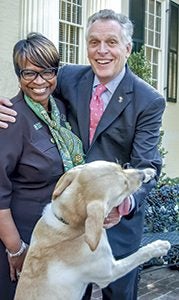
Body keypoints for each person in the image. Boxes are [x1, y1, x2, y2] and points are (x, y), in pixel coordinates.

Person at [0, 9, 166, 300]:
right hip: (66, 226)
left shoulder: (148, 100)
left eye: (111, 42)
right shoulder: (66, 77)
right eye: (94, 42)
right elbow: (32, 83)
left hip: (116, 224)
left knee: (119, 293)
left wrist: (122, 204)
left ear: (127, 48)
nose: (102, 51)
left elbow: (147, 164)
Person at [0, 32, 85, 300]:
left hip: (62, 237)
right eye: (29, 73)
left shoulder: (61, 110)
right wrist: (17, 250)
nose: (39, 82)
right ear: (18, 75)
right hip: (28, 240)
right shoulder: (10, 120)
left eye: (47, 72)